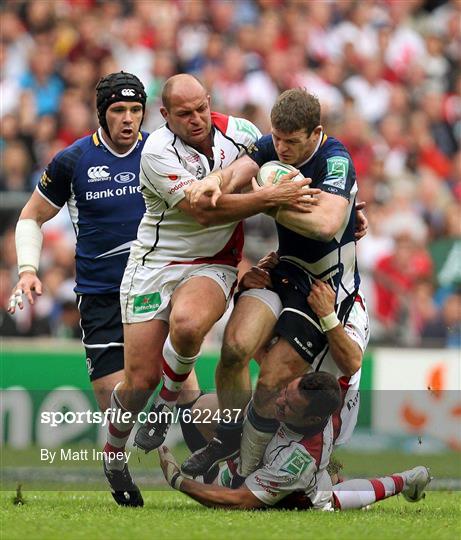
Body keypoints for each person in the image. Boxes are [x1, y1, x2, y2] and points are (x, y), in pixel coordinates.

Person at [101, 74, 317, 504]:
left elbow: (291, 164)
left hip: (213, 264)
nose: (196, 118)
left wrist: (345, 214)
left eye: (201, 108)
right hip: (154, 264)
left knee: (187, 324)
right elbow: (204, 213)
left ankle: (164, 409)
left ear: (209, 100)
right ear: (165, 116)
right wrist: (268, 197)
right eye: (184, 114)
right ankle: (112, 454)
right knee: (138, 380)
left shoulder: (241, 133)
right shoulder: (156, 151)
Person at [7, 71, 202, 508]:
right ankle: (116, 461)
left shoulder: (165, 152)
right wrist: (26, 269)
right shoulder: (73, 161)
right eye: (119, 110)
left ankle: (221, 473)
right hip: (100, 297)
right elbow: (30, 217)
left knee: (190, 391)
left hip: (155, 289)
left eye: (136, 110)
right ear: (102, 113)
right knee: (122, 408)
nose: (129, 119)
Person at [181, 88, 366, 482]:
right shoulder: (271, 146)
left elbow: (326, 224)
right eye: (276, 138)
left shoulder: (335, 160)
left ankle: (246, 470)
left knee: (270, 381)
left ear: (315, 133)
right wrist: (216, 181)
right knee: (233, 350)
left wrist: (265, 200)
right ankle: (228, 438)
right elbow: (239, 173)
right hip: (282, 271)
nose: (280, 148)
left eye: (291, 141)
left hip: (323, 286)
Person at [158, 371, 431, 511]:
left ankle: (406, 480)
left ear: (311, 420)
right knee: (204, 407)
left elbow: (238, 501)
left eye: (288, 406)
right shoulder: (299, 386)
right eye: (284, 393)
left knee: (329, 499)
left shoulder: (297, 460)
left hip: (292, 493)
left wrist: (178, 482)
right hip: (255, 458)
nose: (278, 401)